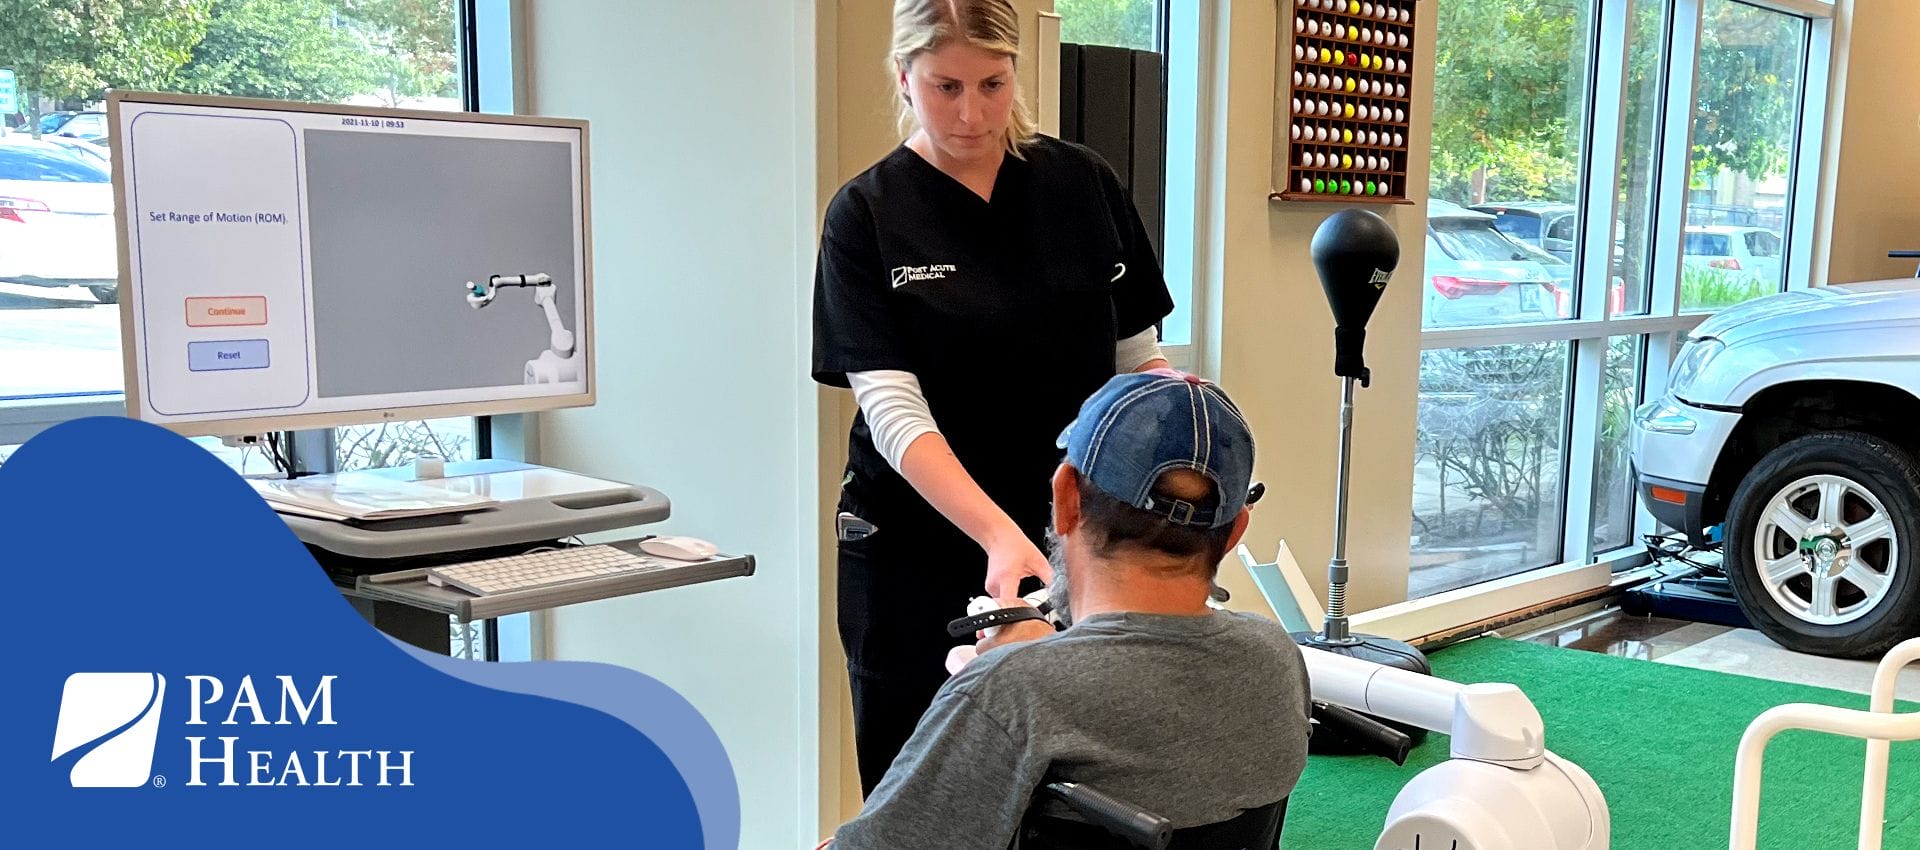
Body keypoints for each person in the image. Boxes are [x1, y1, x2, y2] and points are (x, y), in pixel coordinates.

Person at [810, 0, 1176, 794]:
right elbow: (894, 414)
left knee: (1060, 779)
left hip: (1068, 534)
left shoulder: (1081, 184)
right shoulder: (866, 215)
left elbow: (1137, 365)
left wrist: (1181, 440)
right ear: (904, 77)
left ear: (1016, 73)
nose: (970, 113)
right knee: (925, 783)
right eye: (944, 86)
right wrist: (1000, 537)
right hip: (914, 544)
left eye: (991, 84)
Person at [826, 371, 1315, 849]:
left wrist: (1013, 674)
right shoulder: (1276, 657)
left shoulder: (1012, 693)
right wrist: (1043, 662)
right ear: (1234, 532)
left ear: (1065, 499)